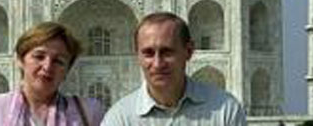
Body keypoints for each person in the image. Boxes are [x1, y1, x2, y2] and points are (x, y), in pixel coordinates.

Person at [101, 12, 247, 126]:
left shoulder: (224, 110)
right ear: (137, 56)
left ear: (188, 51)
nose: (157, 64)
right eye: (148, 53)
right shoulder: (120, 118)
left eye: (167, 52)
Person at [0, 22, 104, 125]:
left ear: (67, 70)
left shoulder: (88, 111)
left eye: (58, 61)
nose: (47, 67)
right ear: (20, 60)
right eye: (39, 56)